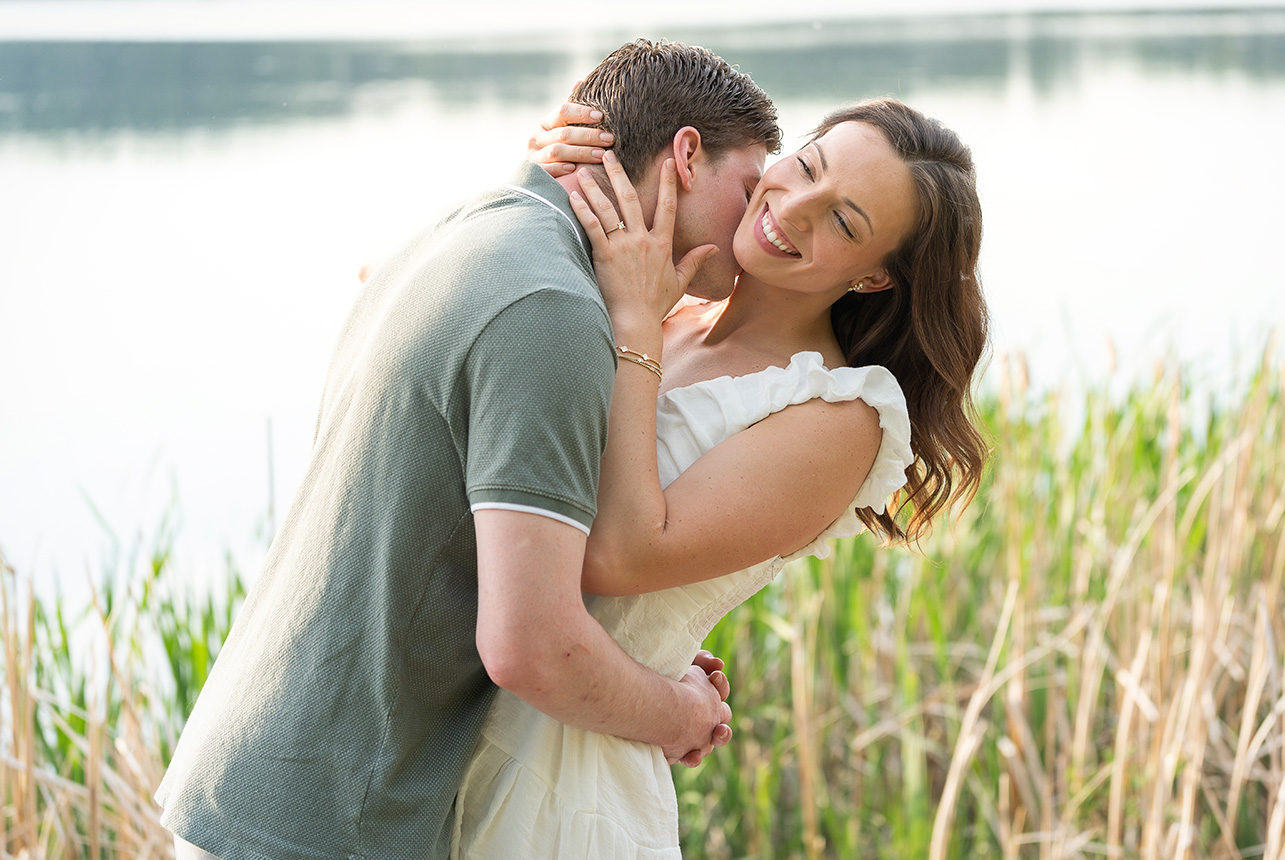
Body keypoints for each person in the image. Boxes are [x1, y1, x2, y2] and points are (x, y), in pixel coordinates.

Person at [153, 40, 782, 860]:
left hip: (260, 777)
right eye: (748, 186)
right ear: (687, 156)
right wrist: (680, 712)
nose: (752, 229)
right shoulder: (551, 310)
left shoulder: (467, 227)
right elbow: (530, 645)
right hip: (331, 816)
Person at [449, 96, 989, 856]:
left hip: (557, 775)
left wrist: (634, 324)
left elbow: (617, 556)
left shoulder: (836, 416)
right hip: (447, 726)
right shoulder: (658, 294)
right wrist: (540, 190)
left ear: (873, 277)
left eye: (843, 222)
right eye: (804, 167)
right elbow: (435, 339)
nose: (794, 208)